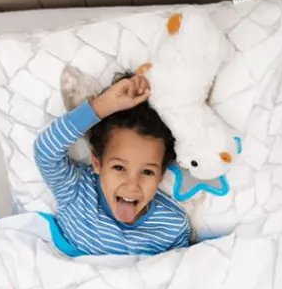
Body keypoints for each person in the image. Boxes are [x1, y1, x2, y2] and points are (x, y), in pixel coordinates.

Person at [33, 73, 191, 256]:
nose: (132, 185)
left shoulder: (172, 226)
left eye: (147, 172)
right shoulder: (77, 191)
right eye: (119, 168)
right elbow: (45, 150)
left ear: (161, 175)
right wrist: (102, 106)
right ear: (97, 163)